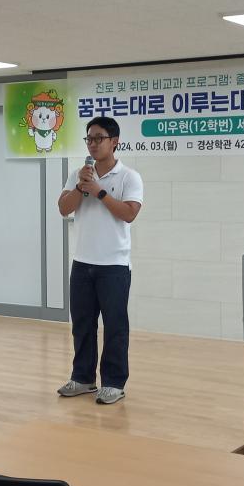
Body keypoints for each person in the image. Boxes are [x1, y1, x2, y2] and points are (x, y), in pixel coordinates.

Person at [56, 116, 143, 405]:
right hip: (82, 263)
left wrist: (99, 192)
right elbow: (63, 208)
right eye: (89, 139)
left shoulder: (128, 176)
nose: (93, 144)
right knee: (82, 324)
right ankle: (83, 378)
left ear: (114, 141)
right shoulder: (79, 174)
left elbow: (129, 213)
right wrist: (82, 187)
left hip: (114, 266)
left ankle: (114, 383)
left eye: (99, 138)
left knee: (115, 326)